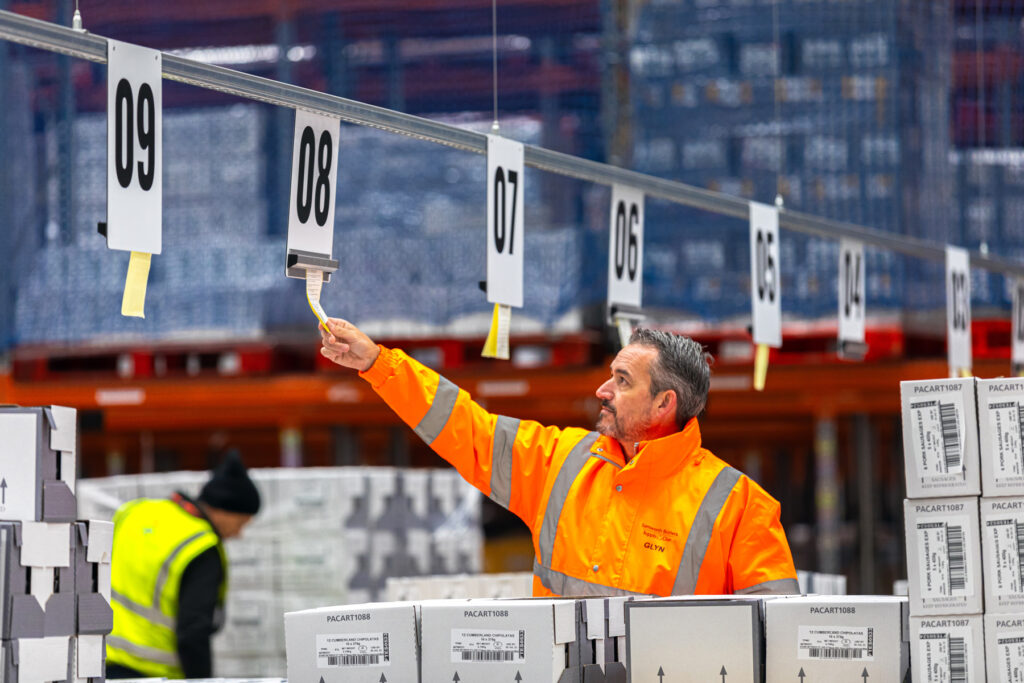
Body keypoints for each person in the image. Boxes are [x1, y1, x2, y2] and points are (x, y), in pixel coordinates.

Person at [320, 318, 798, 597]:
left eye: (623, 381)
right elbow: (467, 428)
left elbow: (776, 640)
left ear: (663, 404)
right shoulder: (562, 461)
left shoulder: (740, 508)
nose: (602, 390)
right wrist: (378, 365)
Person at [106, 451, 262, 679]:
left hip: (96, 664)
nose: (239, 534)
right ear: (224, 510)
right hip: (153, 673)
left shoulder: (134, 511)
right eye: (241, 523)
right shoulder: (200, 547)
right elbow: (193, 633)